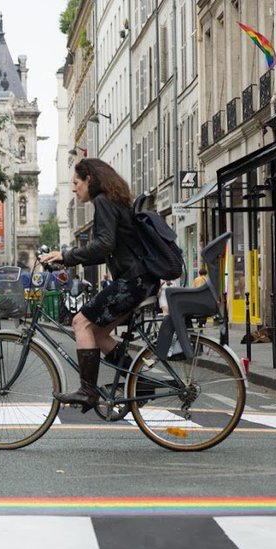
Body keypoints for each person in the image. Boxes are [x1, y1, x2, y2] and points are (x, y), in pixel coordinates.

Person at [42, 157, 158, 411]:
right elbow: (108, 249)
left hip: (133, 282)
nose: (74, 188)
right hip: (140, 280)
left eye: (76, 182)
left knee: (79, 322)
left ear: (89, 180)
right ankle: (141, 381)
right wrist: (68, 260)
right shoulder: (114, 200)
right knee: (96, 332)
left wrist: (66, 255)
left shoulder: (104, 201)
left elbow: (104, 244)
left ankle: (87, 391)